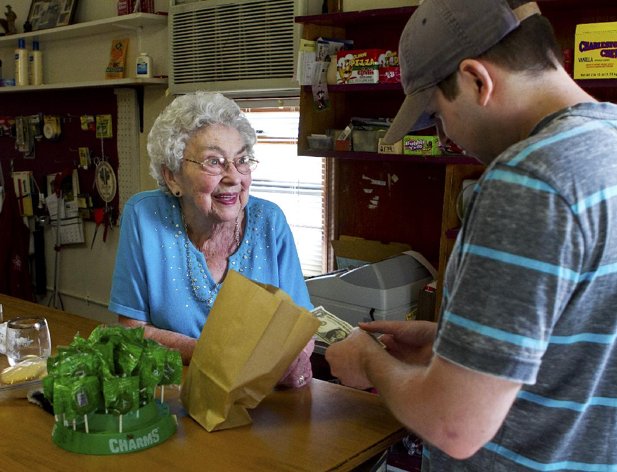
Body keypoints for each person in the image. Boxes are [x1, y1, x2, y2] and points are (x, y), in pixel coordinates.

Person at [325, 0, 617, 470]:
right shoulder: (606, 147)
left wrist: (369, 362)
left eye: (438, 115)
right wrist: (453, 346)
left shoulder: (528, 181)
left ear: (477, 80)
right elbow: (582, 347)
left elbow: (454, 425)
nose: (447, 137)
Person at [109, 91, 314, 388]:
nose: (234, 176)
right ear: (172, 177)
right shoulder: (144, 217)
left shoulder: (270, 221)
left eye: (242, 160)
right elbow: (133, 331)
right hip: (177, 393)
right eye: (214, 162)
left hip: (262, 396)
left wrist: (294, 361)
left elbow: (301, 325)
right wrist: (218, 357)